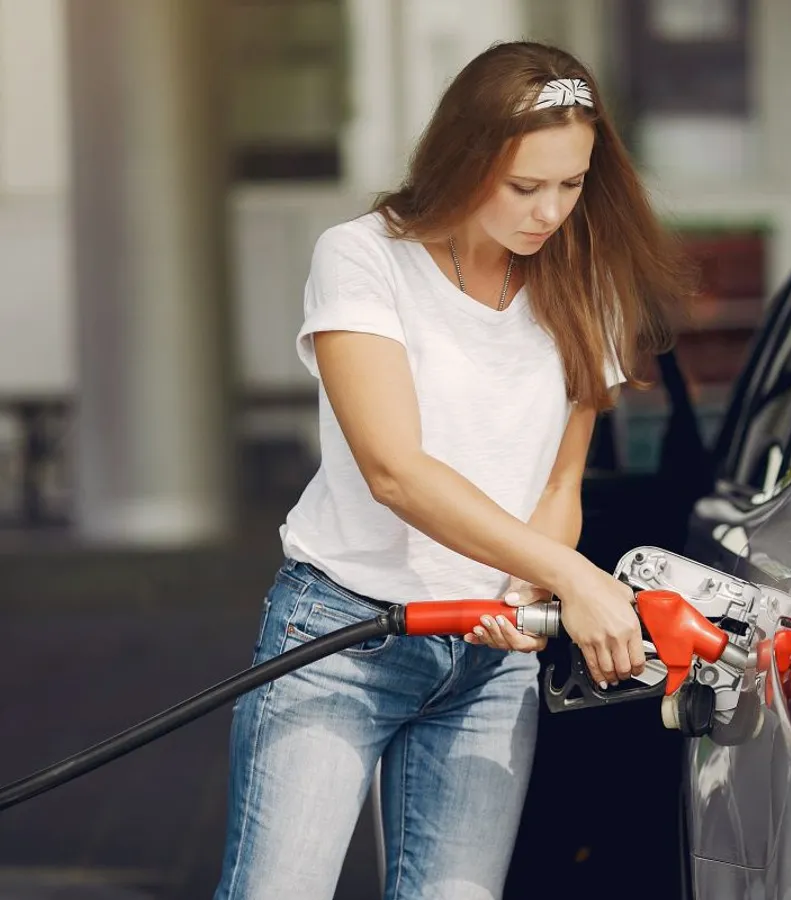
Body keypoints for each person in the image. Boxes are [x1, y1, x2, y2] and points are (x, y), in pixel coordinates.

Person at [214, 40, 693, 900]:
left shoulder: (589, 280)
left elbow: (558, 484)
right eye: (525, 186)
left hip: (492, 662)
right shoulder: (363, 257)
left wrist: (524, 598)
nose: (551, 210)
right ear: (465, 160)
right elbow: (394, 469)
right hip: (343, 635)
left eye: (573, 183)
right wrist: (570, 579)